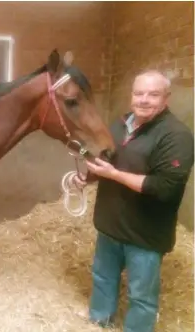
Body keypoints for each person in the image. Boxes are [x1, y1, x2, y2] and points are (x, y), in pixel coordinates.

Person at [74, 69, 194, 331]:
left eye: (153, 94)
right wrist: (89, 177)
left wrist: (114, 175)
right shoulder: (121, 124)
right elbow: (107, 159)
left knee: (141, 297)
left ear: (167, 98)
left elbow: (164, 188)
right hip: (110, 225)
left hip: (145, 234)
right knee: (103, 278)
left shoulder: (177, 136)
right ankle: (100, 321)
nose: (143, 100)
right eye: (139, 93)